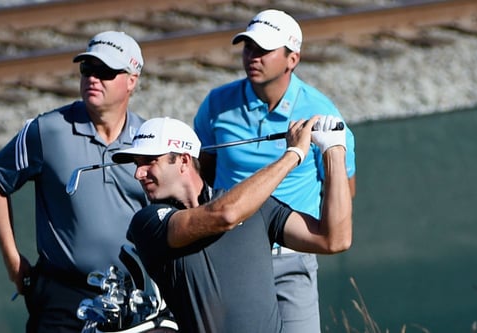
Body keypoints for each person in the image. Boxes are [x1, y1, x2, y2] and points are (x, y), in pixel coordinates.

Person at [193, 9, 356, 332]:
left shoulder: (320, 111)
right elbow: (202, 174)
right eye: (248, 47)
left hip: (292, 257)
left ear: (292, 59)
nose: (252, 56)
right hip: (229, 253)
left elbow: (343, 189)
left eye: (264, 50)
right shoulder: (217, 104)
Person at [111, 116, 352, 332]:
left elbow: (333, 239)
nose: (138, 174)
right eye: (137, 164)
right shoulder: (148, 222)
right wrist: (293, 155)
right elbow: (224, 215)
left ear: (183, 160)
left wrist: (334, 151)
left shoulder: (257, 207)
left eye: (149, 161)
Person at [0, 31, 149, 333]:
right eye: (87, 70)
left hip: (135, 295)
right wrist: (12, 260)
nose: (92, 79)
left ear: (131, 80)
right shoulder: (48, 130)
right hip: (63, 295)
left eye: (105, 72)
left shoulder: (149, 140)